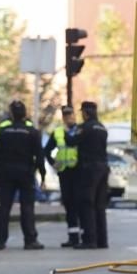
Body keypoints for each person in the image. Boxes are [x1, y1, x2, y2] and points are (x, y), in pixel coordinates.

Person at [0, 99, 46, 250]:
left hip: (6, 173)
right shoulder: (32, 132)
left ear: (11, 114)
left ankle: (0, 241)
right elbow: (39, 156)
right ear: (24, 114)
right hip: (26, 172)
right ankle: (30, 240)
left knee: (4, 207)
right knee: (27, 207)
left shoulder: (4, 132)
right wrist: (42, 175)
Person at [67, 101, 109, 249]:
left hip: (89, 169)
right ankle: (102, 241)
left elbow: (71, 141)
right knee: (100, 205)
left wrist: (70, 129)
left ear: (85, 113)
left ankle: (89, 240)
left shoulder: (84, 127)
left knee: (87, 203)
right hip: (103, 168)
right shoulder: (102, 128)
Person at [44, 105, 81, 247]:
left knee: (79, 205)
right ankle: (73, 237)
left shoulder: (81, 130)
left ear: (74, 115)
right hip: (64, 173)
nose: (68, 117)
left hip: (78, 173)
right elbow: (47, 151)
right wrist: (54, 164)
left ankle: (83, 236)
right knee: (69, 205)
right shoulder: (58, 132)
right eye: (65, 115)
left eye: (70, 114)